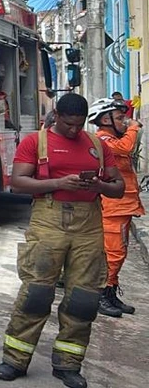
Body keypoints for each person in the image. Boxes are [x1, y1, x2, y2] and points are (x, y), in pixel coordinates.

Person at [0, 93, 124, 388]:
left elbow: (118, 187)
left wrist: (99, 184)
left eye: (79, 125)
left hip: (88, 224)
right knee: (37, 293)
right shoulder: (35, 143)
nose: (74, 131)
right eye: (68, 125)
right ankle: (14, 359)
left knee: (83, 298)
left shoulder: (97, 146)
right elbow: (17, 183)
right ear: (57, 115)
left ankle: (68, 363)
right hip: (48, 220)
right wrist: (58, 183)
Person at [91, 98, 144, 317]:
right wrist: (133, 127)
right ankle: (102, 294)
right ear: (105, 119)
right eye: (120, 118)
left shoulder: (111, 138)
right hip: (114, 207)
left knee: (118, 252)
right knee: (114, 253)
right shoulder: (103, 139)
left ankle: (110, 291)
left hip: (123, 206)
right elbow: (126, 147)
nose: (125, 121)